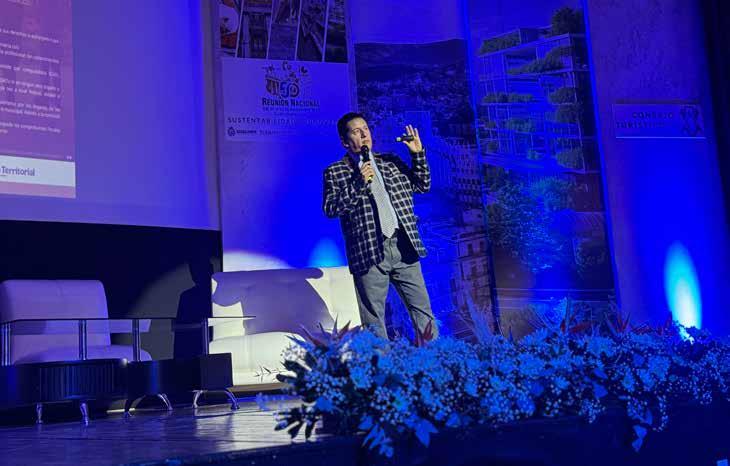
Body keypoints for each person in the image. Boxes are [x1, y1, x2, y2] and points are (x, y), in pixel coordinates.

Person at [322, 112, 438, 341]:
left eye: (365, 129)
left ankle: (434, 359)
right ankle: (382, 364)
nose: (364, 134)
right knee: (374, 322)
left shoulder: (390, 161)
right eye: (356, 131)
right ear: (345, 142)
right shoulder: (335, 171)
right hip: (369, 254)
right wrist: (358, 182)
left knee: (424, 314)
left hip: (404, 246)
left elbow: (422, 185)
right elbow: (331, 208)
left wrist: (417, 155)